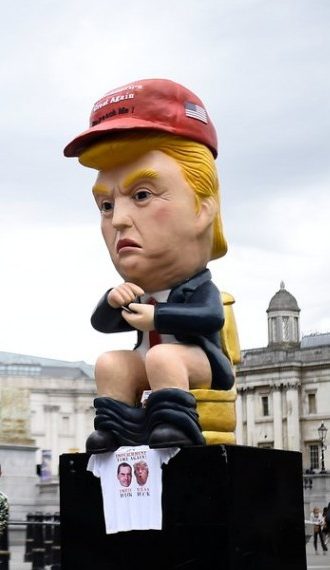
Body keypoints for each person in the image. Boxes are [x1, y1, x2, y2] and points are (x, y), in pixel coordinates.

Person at [64, 79, 232, 451]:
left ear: (202, 209)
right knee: (111, 363)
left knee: (164, 356)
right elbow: (102, 325)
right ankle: (116, 427)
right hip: (148, 361)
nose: (118, 220)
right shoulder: (137, 290)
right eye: (106, 205)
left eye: (142, 195)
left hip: (198, 364)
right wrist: (112, 301)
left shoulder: (197, 287)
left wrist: (158, 318)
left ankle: (174, 423)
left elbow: (210, 318)